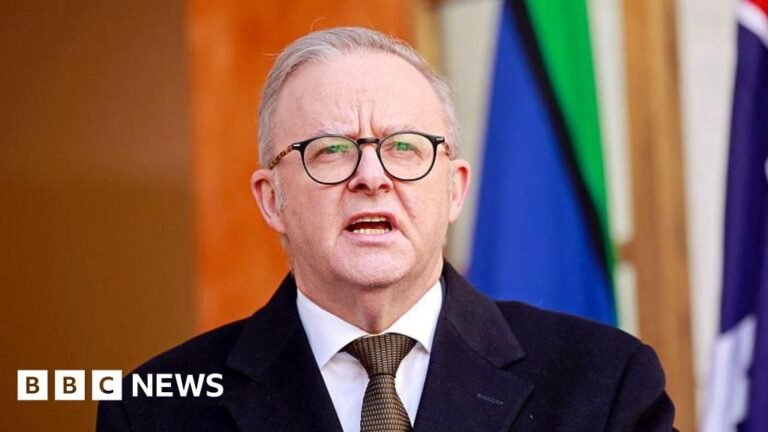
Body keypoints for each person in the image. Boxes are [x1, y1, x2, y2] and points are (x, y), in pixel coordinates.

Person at [97, 27, 675, 431]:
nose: (371, 177)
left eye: (404, 147)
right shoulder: (153, 410)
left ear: (454, 189)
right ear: (272, 201)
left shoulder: (605, 382)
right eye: (330, 150)